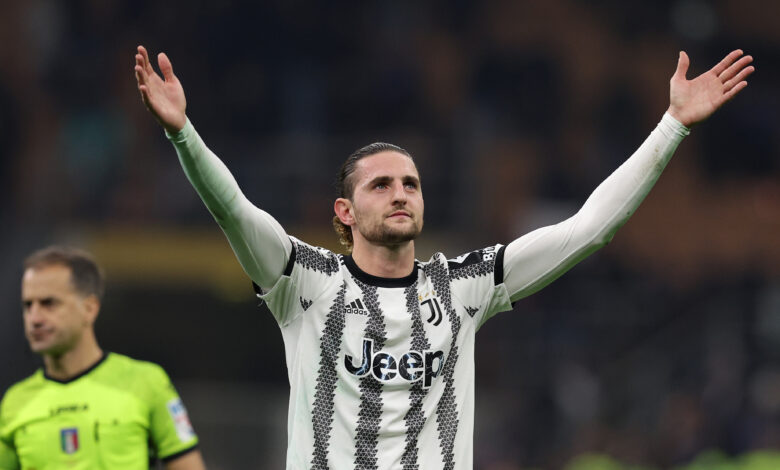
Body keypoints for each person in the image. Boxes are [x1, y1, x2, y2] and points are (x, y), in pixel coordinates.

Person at [134, 45, 753, 470]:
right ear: (344, 212)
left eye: (411, 183)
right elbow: (234, 210)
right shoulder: (304, 281)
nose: (400, 193)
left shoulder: (463, 285)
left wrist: (673, 124)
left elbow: (589, 230)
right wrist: (182, 134)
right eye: (381, 185)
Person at [0, 246, 206, 470]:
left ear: (89, 308)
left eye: (49, 303)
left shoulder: (146, 383)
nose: (35, 318)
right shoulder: (15, 402)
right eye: (28, 305)